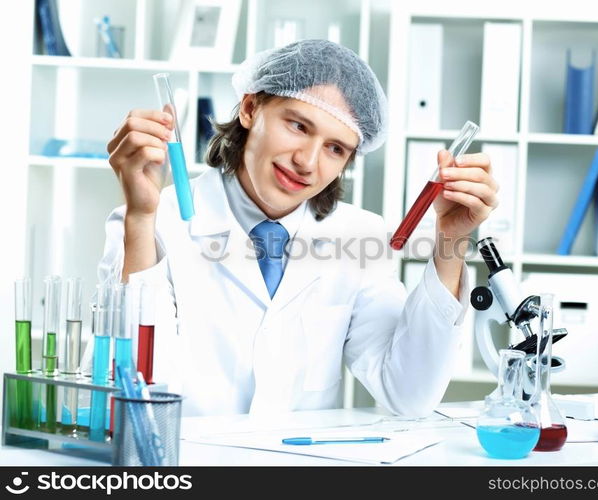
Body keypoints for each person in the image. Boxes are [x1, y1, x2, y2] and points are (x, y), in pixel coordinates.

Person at [100, 39, 499, 417]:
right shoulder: (155, 220)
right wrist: (139, 218)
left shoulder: (358, 236)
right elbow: (133, 386)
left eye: (335, 148)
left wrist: (451, 238)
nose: (307, 161)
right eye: (298, 126)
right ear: (251, 108)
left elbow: (409, 393)